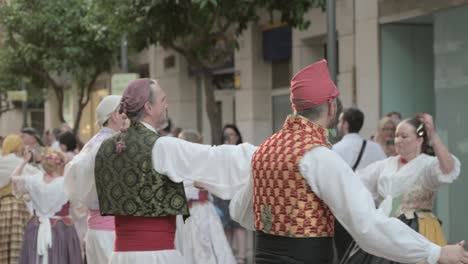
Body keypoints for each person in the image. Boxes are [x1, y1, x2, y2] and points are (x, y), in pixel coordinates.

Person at [151, 60, 468, 264]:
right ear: (331, 107)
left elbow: (241, 211)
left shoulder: (265, 151)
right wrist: (436, 252)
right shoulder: (318, 157)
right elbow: (367, 226)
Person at [341, 113, 460, 264]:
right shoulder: (386, 164)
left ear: (419, 140)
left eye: (404, 136)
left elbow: (448, 169)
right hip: (385, 226)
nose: (398, 140)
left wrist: (434, 137)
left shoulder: (427, 164)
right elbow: (356, 182)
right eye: (397, 136)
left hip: (416, 227)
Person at [94, 79, 190, 264]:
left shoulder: (103, 148)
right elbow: (211, 159)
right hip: (157, 255)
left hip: (120, 256)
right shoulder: (163, 145)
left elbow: (84, 194)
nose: (167, 105)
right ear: (148, 107)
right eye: (163, 100)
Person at [64, 95, 125, 264]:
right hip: (111, 230)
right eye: (125, 112)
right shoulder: (111, 144)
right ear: (114, 115)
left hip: (97, 228)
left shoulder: (93, 143)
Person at [333, 107, 387, 260]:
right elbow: (384, 176)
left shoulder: (335, 150)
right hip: (369, 208)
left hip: (344, 211)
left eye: (339, 121)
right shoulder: (375, 148)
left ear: (344, 125)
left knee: (345, 253)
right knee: (366, 254)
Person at [175, 129, 236, 264]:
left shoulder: (200, 162)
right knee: (187, 246)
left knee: (204, 244)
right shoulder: (181, 162)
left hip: (200, 210)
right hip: (185, 212)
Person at [12, 149, 83, 264]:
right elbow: (79, 208)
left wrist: (24, 162)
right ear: (61, 165)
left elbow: (14, 178)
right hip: (61, 230)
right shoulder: (66, 183)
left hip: (36, 227)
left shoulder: (33, 180)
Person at [0, 135, 39, 264]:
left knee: (3, 245)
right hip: (19, 206)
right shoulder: (18, 162)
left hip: (3, 206)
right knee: (20, 244)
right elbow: (37, 176)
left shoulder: (1, 161)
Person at [213, 124, 247, 264]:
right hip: (223, 193)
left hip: (238, 192)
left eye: (231, 134)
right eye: (226, 135)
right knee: (226, 227)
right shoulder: (220, 152)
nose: (228, 137)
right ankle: (227, 258)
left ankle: (241, 257)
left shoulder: (242, 151)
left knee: (239, 226)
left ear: (237, 136)